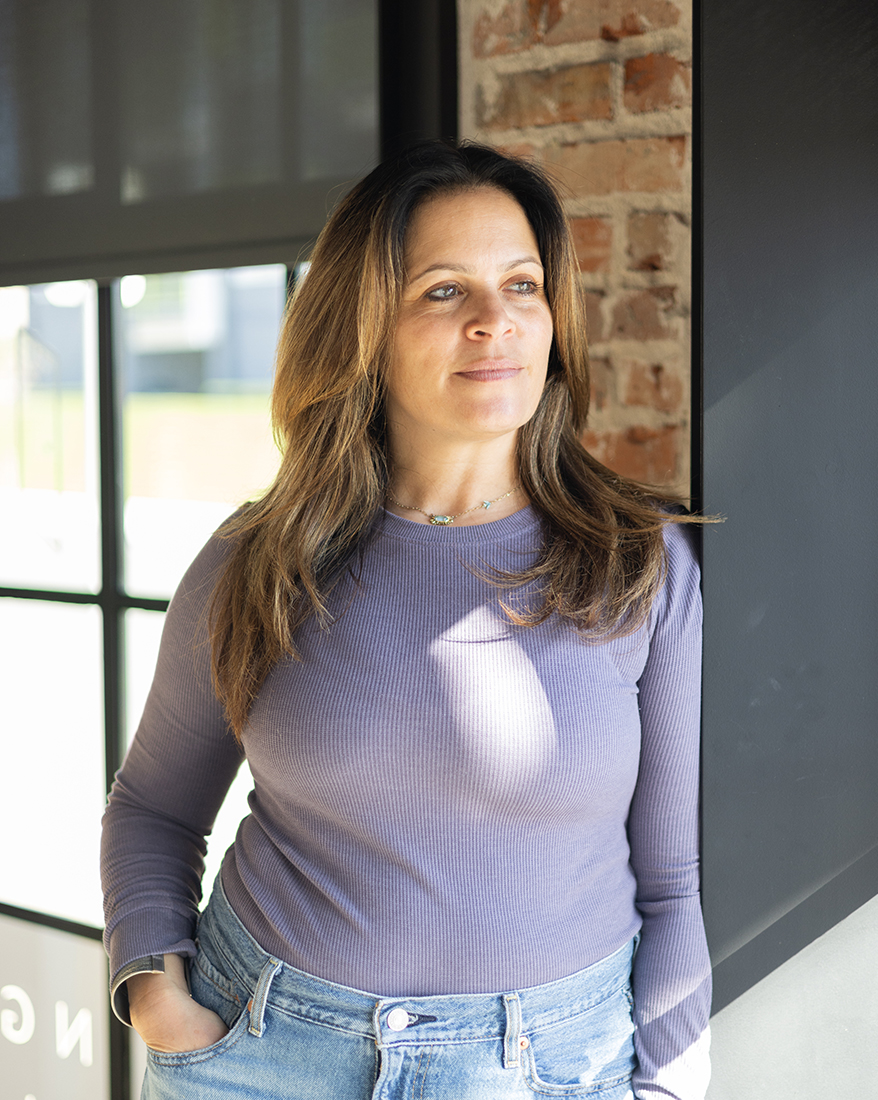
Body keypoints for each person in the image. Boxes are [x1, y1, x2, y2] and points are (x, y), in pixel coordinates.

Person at [101, 139, 712, 1100]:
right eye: (442, 291)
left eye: (522, 285)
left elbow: (671, 880)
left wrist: (668, 1090)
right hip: (266, 1051)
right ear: (364, 328)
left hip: (549, 1069)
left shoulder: (638, 566)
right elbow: (153, 810)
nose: (493, 322)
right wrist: (156, 996)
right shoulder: (256, 563)